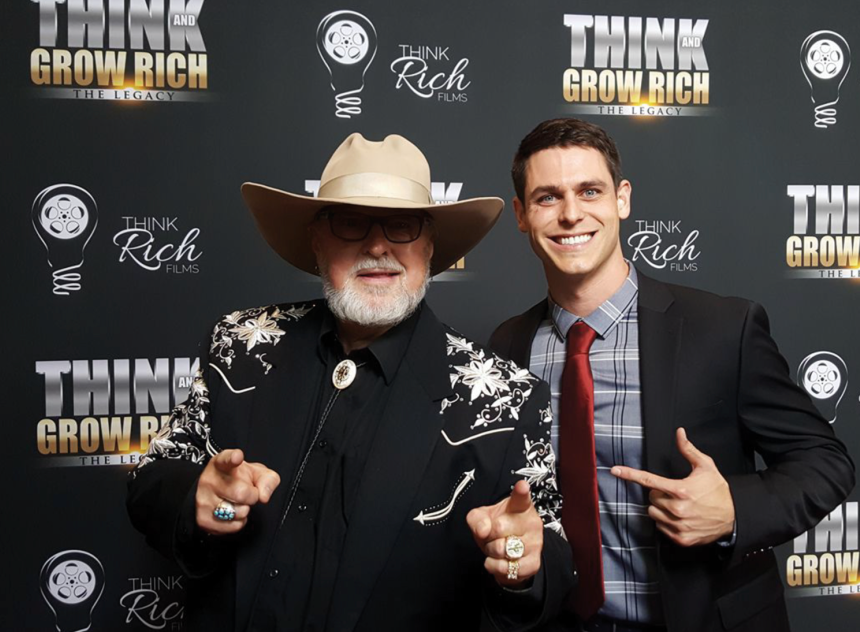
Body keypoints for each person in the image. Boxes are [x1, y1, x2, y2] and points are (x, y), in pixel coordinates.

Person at [127, 133, 574, 632]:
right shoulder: (242, 344)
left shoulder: (504, 397)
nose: (378, 245)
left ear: (430, 246)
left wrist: (520, 568)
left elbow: (546, 554)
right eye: (351, 223)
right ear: (317, 241)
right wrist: (196, 501)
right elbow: (151, 481)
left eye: (401, 225)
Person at [490, 118, 855, 632]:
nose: (572, 214)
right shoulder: (506, 346)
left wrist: (734, 511)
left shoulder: (723, 328)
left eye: (589, 191)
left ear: (622, 199)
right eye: (548, 198)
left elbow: (825, 462)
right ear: (522, 216)